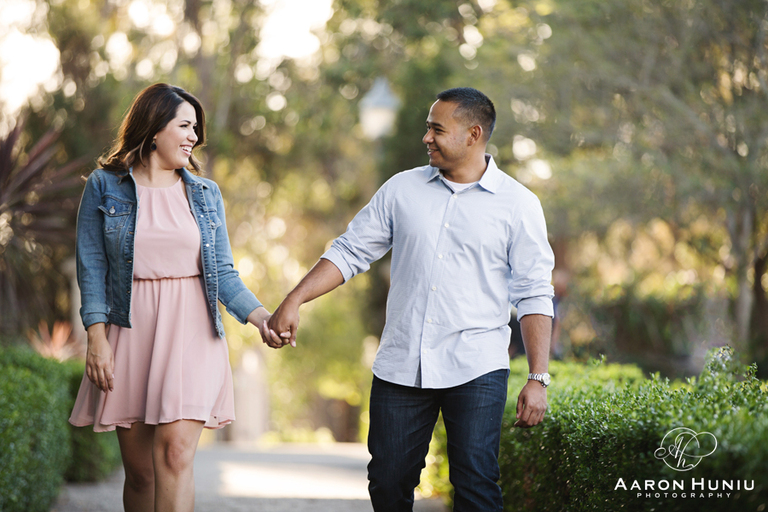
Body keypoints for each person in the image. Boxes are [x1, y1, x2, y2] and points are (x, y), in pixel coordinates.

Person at [264, 87, 555, 511]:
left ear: (474, 134)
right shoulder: (402, 189)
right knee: (387, 482)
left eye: (437, 129)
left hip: (476, 365)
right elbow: (350, 251)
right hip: (402, 364)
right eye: (427, 128)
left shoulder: (519, 205)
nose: (427, 138)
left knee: (476, 484)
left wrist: (537, 376)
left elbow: (533, 293)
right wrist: (294, 300)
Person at [69, 83, 282, 511]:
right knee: (142, 472)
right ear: (153, 128)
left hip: (192, 330)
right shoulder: (104, 187)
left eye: (195, 129)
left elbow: (221, 272)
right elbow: (91, 266)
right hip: (130, 330)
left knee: (174, 455)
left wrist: (260, 316)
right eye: (185, 126)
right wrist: (96, 337)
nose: (193, 137)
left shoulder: (205, 194)